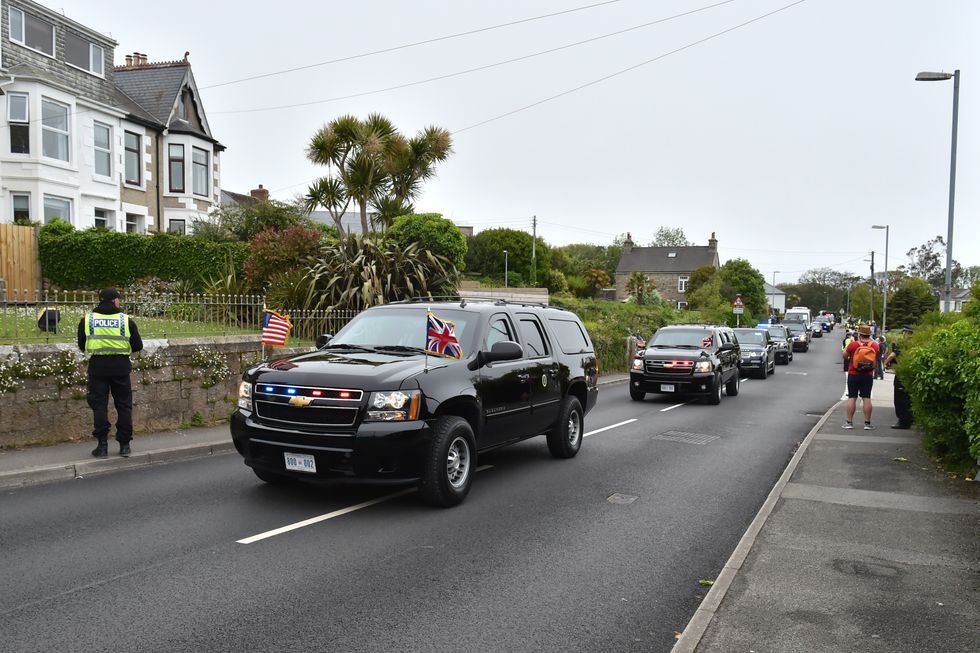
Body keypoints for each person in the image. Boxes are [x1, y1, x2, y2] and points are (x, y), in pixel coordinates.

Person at [77, 288, 143, 457]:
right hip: (121, 368)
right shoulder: (125, 320)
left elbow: (82, 344)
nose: (119, 302)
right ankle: (125, 445)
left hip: (97, 368)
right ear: (114, 301)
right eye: (118, 300)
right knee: (124, 406)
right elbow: (137, 345)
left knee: (99, 406)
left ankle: (102, 446)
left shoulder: (88, 320)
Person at [842, 324, 880, 430]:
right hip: (867, 375)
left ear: (860, 334)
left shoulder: (854, 345)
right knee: (866, 398)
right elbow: (876, 358)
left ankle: (849, 422)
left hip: (853, 374)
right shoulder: (875, 345)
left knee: (852, 398)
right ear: (869, 334)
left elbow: (844, 355)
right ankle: (867, 423)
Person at [884, 326, 914, 429]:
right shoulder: (914, 344)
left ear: (907, 333)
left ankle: (903, 421)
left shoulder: (904, 345)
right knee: (907, 398)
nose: (903, 334)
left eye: (904, 332)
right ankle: (909, 419)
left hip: (901, 374)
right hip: (910, 374)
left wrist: (885, 363)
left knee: (900, 398)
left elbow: (893, 355)